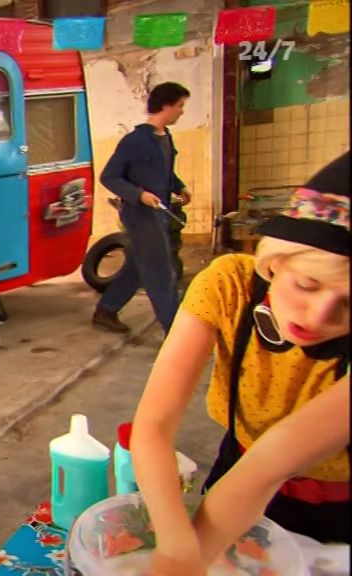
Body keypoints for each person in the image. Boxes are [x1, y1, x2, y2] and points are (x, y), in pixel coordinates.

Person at [130, 152, 350, 576]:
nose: (319, 316)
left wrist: (183, 559)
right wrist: (175, 546)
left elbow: (273, 461)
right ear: (278, 260)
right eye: (307, 284)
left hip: (339, 510)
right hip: (236, 470)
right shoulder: (229, 285)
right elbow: (153, 426)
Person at [93, 82, 192, 335]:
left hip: (160, 213)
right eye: (180, 106)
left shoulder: (165, 137)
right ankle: (176, 333)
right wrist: (139, 195)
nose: (182, 111)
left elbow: (163, 172)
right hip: (141, 215)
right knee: (161, 272)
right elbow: (109, 177)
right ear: (166, 106)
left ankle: (106, 309)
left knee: (138, 265)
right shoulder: (135, 141)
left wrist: (179, 187)